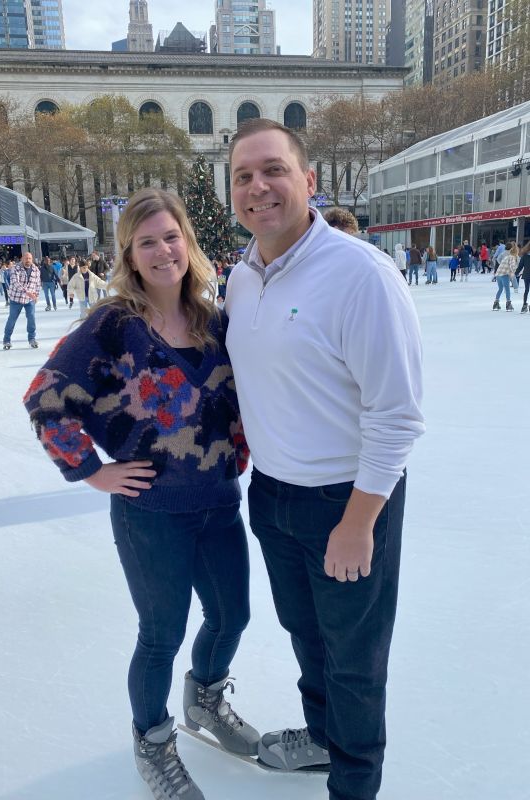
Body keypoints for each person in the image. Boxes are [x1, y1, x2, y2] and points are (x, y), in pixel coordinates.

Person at [23, 188, 258, 800]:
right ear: (129, 252)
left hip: (218, 502)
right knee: (161, 635)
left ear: (188, 243)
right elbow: (46, 398)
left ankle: (204, 700)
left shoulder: (213, 321)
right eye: (146, 241)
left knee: (232, 615)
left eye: (171, 237)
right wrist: (91, 470)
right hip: (150, 513)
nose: (162, 251)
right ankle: (152, 741)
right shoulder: (112, 326)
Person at [224, 118, 424, 800]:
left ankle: (354, 785)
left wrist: (359, 522)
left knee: (354, 661)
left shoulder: (360, 274)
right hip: (272, 497)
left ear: (309, 180)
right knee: (307, 638)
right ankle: (321, 738)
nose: (258, 187)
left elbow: (396, 415)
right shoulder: (241, 277)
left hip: (347, 501)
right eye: (243, 176)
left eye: (274, 170)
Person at [2, 252, 41, 350]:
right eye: (26, 258)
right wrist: (27, 292)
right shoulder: (15, 268)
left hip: (29, 299)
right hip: (16, 298)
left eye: (30, 258)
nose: (28, 260)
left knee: (31, 318)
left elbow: (37, 284)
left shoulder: (36, 270)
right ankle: (6, 340)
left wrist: (36, 295)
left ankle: (32, 339)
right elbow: (15, 282)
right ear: (22, 259)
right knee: (12, 319)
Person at [493, 241, 518, 311]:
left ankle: (496, 304)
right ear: (512, 248)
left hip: (499, 273)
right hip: (505, 273)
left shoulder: (503, 253)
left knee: (500, 289)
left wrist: (502, 264)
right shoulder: (512, 255)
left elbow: (498, 259)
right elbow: (513, 266)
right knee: (507, 289)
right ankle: (508, 304)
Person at [517, 242, 530, 313]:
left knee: (526, 290)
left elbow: (520, 266)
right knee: (527, 290)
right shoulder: (525, 256)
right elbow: (520, 266)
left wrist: (515, 273)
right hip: (527, 275)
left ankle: (524, 305)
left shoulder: (525, 256)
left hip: (526, 275)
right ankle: (525, 305)